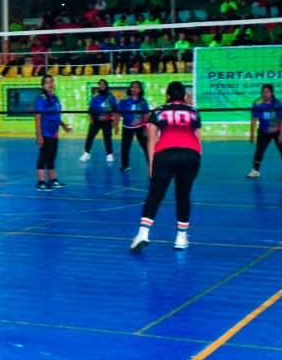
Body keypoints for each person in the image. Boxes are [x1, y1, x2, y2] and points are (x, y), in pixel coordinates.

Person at [130, 81, 202, 253]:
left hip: (166, 153)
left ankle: (142, 234)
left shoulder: (159, 111)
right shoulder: (194, 112)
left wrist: (151, 163)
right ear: (185, 96)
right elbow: (198, 139)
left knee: (155, 195)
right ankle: (181, 238)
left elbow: (151, 139)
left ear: (167, 96)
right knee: (183, 195)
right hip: (191, 154)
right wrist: (196, 159)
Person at [34, 74, 74, 191]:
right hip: (45, 132)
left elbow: (56, 116)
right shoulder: (41, 98)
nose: (50, 84)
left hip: (54, 132)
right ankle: (41, 182)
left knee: (51, 156)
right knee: (43, 156)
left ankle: (53, 180)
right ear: (43, 85)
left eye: (51, 82)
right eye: (47, 82)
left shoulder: (55, 98)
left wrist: (64, 126)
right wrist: (39, 135)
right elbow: (38, 116)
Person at [248, 84, 282, 179]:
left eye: (267, 92)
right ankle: (255, 171)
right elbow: (254, 120)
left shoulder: (278, 104)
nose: (265, 94)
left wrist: (281, 135)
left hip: (280, 130)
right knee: (259, 150)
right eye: (263, 92)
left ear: (272, 93)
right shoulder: (257, 103)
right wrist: (252, 135)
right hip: (264, 131)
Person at [80, 79, 118, 164]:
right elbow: (91, 109)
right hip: (96, 120)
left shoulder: (111, 97)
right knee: (90, 136)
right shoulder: (95, 97)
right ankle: (86, 153)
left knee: (107, 137)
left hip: (107, 121)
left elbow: (115, 110)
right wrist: (91, 118)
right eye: (100, 84)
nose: (102, 85)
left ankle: (109, 154)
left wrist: (115, 123)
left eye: (103, 84)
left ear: (106, 86)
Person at [118, 80, 151, 173]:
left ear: (140, 89)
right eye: (133, 87)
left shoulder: (143, 101)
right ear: (130, 88)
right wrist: (116, 124)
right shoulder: (124, 100)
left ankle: (151, 165)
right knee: (125, 147)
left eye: (137, 87)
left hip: (140, 127)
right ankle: (125, 166)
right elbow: (119, 113)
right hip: (127, 127)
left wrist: (146, 128)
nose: (134, 89)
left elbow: (146, 115)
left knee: (146, 147)